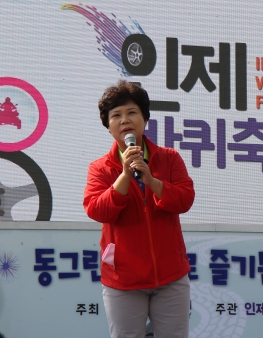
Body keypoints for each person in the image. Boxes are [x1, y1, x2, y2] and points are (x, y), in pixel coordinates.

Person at [83, 80, 195, 338]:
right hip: (123, 280)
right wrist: (124, 176)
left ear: (145, 119)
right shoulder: (100, 168)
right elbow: (97, 210)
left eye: (132, 112)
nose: (125, 120)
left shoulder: (169, 158)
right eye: (116, 115)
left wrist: (153, 182)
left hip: (171, 276)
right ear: (108, 126)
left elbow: (185, 199)